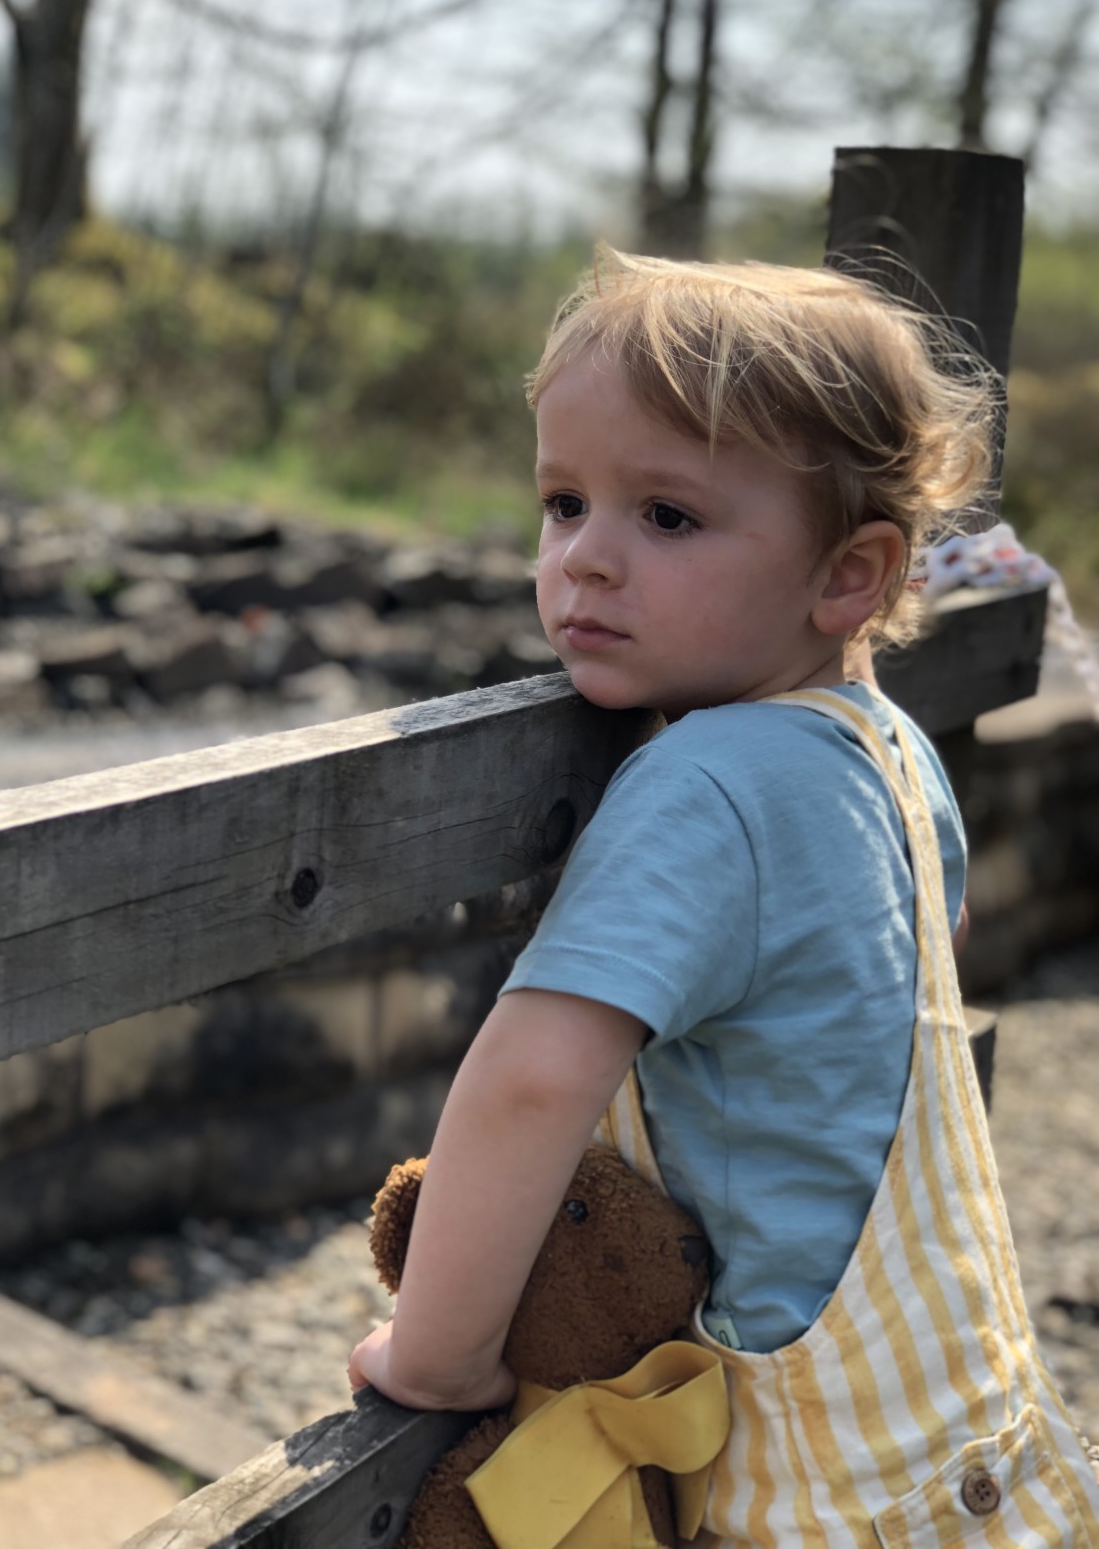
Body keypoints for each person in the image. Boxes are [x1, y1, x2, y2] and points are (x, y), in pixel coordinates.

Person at [349, 247, 1099, 1542]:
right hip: (955, 1430)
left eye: (668, 518)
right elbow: (923, 962)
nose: (584, 559)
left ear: (850, 577)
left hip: (808, 1486)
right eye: (564, 501)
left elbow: (534, 1080)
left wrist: (438, 1359)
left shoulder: (704, 780)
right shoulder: (890, 753)